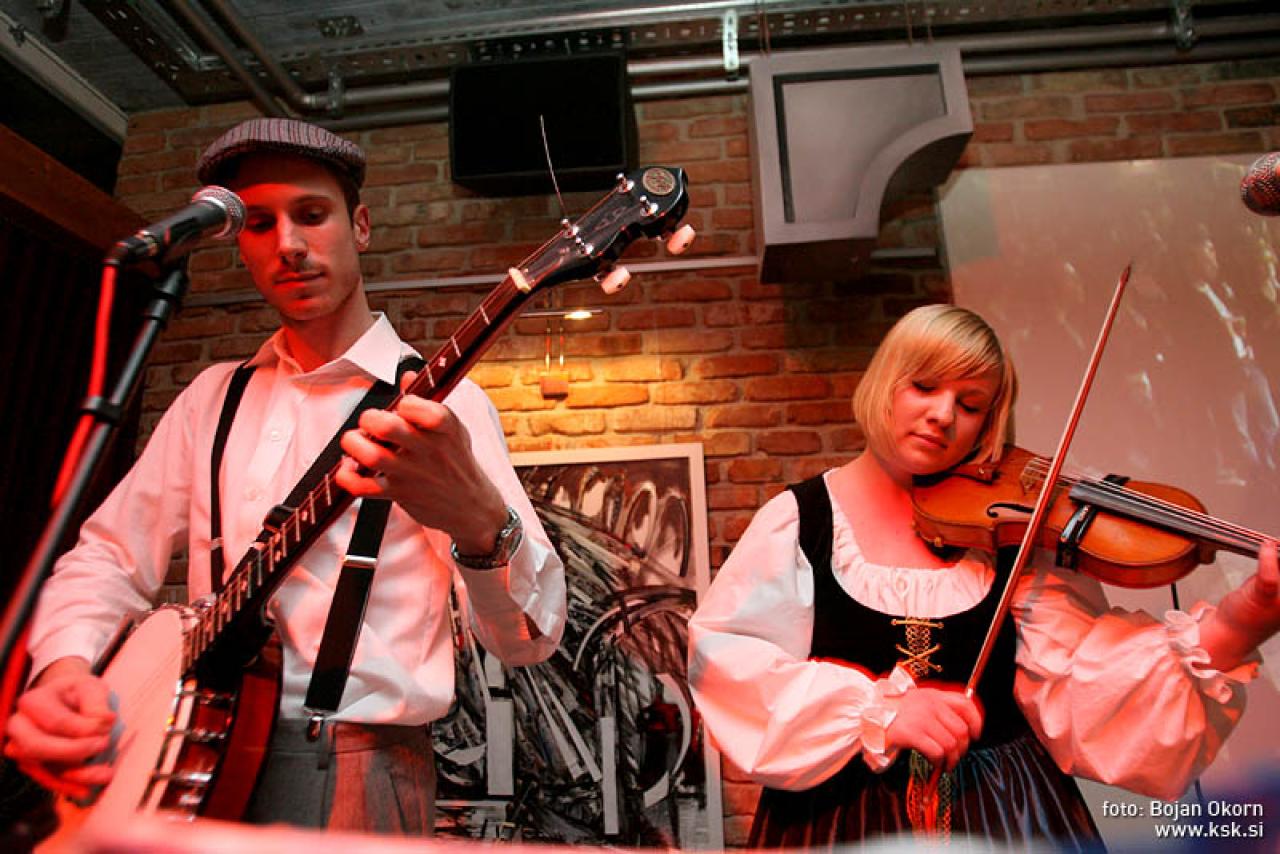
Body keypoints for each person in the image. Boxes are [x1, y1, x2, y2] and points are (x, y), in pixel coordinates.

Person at [3, 118, 567, 835]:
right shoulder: (211, 397)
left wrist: (480, 520)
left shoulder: (441, 403)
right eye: (261, 224)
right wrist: (64, 669)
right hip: (184, 754)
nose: (289, 245)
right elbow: (106, 558)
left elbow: (529, 640)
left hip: (360, 769)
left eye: (311, 214)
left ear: (360, 226)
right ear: (239, 245)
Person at [687, 304, 1280, 848]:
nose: (943, 415)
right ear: (884, 382)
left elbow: (1087, 688)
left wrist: (1241, 620)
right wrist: (878, 711)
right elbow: (730, 664)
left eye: (970, 406)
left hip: (1006, 811)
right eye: (924, 386)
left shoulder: (1011, 537)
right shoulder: (800, 520)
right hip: (837, 820)